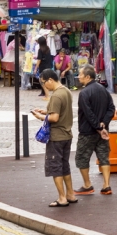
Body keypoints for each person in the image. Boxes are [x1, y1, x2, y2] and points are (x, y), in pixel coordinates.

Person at [31, 69, 77, 208]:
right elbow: (60, 111)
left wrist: (41, 117)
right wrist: (46, 111)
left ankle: (62, 198)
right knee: (65, 166)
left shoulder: (56, 96)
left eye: (44, 83)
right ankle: (71, 194)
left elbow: (55, 117)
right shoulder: (66, 91)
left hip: (56, 136)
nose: (45, 86)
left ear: (50, 80)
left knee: (55, 167)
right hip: (67, 135)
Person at [74, 65, 117, 196]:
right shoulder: (103, 89)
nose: (78, 76)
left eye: (80, 74)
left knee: (81, 158)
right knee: (104, 157)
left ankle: (87, 185)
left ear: (87, 77)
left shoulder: (84, 93)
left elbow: (88, 113)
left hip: (88, 132)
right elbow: (111, 108)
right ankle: (106, 185)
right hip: (103, 131)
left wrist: (98, 127)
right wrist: (103, 124)